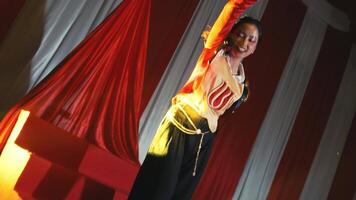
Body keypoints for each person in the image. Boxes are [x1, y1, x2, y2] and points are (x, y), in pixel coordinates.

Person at [129, 0, 261, 199]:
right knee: (157, 191)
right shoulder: (214, 52)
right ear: (231, 33)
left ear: (255, 48)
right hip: (180, 125)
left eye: (252, 40)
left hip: (204, 140)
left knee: (180, 195)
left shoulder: (242, 87)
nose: (244, 43)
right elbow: (232, 8)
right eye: (241, 34)